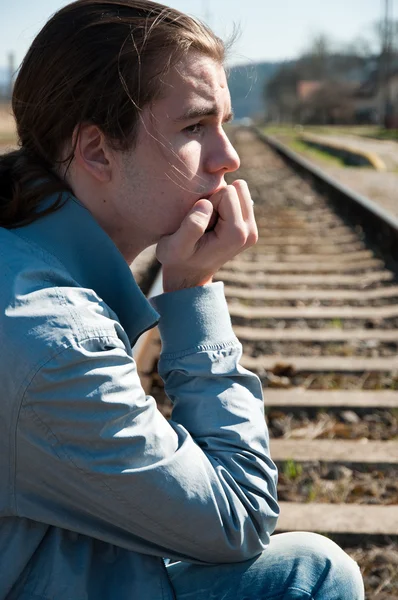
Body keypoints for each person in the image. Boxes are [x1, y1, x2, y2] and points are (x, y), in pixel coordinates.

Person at [0, 1, 364, 598]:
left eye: (224, 123)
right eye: (195, 128)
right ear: (96, 151)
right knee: (312, 576)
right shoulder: (54, 340)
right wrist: (192, 291)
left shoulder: (24, 259)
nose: (229, 157)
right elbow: (238, 518)